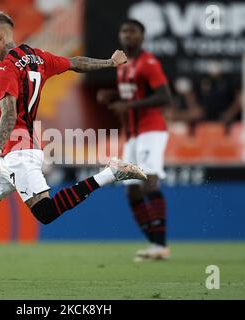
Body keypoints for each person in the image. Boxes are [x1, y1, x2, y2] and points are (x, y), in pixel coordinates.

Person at [0, 10, 147, 289]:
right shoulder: (39, 57)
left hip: (18, 154)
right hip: (19, 151)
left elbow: (9, 113)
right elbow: (75, 63)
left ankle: (111, 173)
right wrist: (110, 63)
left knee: (46, 213)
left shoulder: (5, 69)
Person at [97, 19, 172, 261]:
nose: (128, 35)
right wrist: (113, 95)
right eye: (124, 31)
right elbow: (135, 92)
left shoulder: (149, 63)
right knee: (132, 192)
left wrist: (127, 104)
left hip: (151, 130)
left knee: (149, 181)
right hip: (131, 135)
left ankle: (160, 246)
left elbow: (164, 97)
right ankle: (153, 244)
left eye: (133, 32)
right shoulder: (123, 65)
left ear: (142, 36)